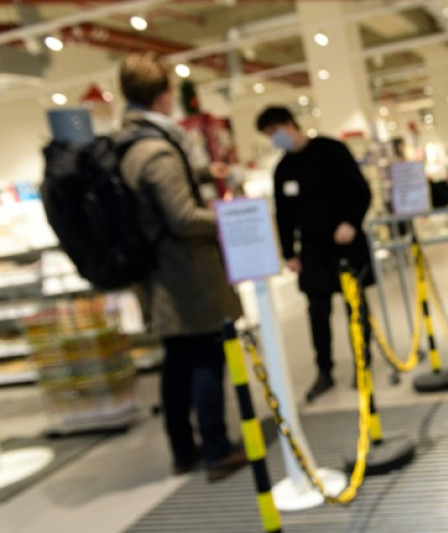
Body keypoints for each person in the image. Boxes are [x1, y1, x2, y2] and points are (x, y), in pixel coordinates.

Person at [118, 52, 246, 481]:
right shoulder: (156, 149)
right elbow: (183, 217)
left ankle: (183, 449)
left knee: (176, 363)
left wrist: (204, 174)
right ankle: (216, 450)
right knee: (206, 358)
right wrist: (230, 219)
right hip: (186, 276)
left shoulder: (130, 144)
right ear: (163, 94)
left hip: (161, 275)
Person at [255, 106, 374, 401]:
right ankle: (324, 370)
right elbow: (283, 216)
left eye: (275, 131)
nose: (274, 138)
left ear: (290, 124)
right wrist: (289, 253)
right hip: (312, 251)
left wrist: (351, 222)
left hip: (346, 245)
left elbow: (361, 191)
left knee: (356, 308)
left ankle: (363, 362)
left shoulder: (330, 150)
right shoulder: (283, 169)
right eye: (268, 134)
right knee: (317, 313)